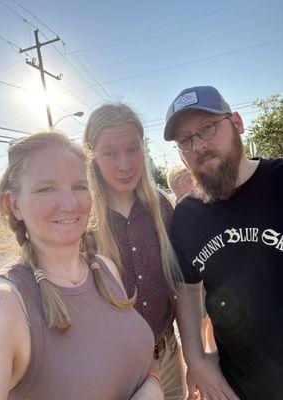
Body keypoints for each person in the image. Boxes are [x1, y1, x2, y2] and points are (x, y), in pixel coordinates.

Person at [0, 131, 164, 400]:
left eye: (79, 186)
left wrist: (153, 385)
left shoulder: (105, 269)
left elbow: (135, 362)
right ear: (15, 204)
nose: (69, 204)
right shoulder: (2, 304)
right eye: (47, 189)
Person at [163, 85, 283, 400]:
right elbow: (188, 290)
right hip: (238, 387)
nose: (198, 145)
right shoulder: (187, 216)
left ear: (238, 123)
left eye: (207, 128)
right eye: (185, 140)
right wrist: (195, 358)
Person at [83, 103, 186, 399]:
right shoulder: (83, 222)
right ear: (92, 157)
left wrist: (193, 358)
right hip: (116, 368)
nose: (124, 164)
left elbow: (179, 290)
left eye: (132, 149)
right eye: (110, 153)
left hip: (167, 354)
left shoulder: (162, 208)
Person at [167, 166, 216, 353]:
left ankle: (212, 350)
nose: (194, 183)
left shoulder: (200, 205)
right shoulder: (177, 214)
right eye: (189, 181)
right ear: (176, 187)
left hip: (207, 274)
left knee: (211, 317)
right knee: (201, 320)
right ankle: (204, 351)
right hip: (193, 277)